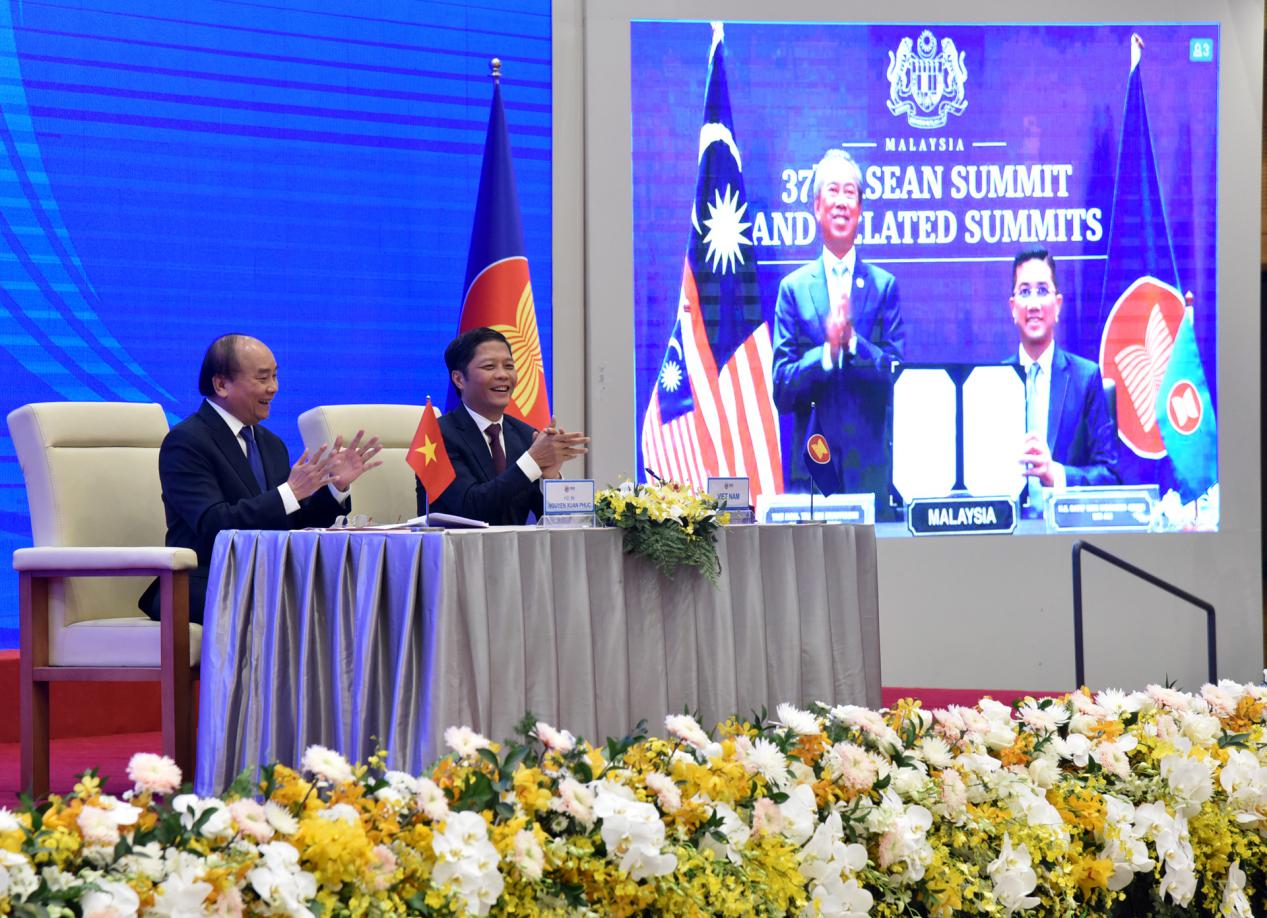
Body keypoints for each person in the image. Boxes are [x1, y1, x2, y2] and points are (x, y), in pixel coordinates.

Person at [139, 334, 382, 624]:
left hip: (265, 579)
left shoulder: (271, 444)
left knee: (356, 594)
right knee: (298, 607)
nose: (274, 388)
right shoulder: (187, 441)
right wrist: (289, 493)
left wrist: (335, 488)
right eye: (263, 378)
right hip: (204, 581)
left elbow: (290, 524)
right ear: (221, 384)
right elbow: (214, 524)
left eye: (276, 376)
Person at [772, 148, 904, 504]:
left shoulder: (883, 286)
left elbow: (896, 378)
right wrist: (827, 354)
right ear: (817, 206)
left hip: (870, 474)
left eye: (851, 193)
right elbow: (782, 389)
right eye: (833, 191)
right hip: (813, 471)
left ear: (860, 209)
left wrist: (853, 343)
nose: (842, 201)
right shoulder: (794, 290)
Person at [420, 327, 587, 525]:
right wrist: (531, 462)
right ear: (459, 379)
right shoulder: (435, 436)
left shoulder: (525, 435)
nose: (503, 375)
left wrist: (550, 478)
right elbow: (469, 509)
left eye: (509, 366)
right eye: (489, 367)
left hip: (516, 553)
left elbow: (558, 524)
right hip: (456, 553)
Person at [1004, 247, 1120, 513]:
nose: (1033, 304)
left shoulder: (1085, 379)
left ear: (1057, 305)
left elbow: (1110, 477)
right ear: (1013, 308)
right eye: (1024, 292)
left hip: (1066, 533)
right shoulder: (990, 383)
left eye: (1042, 291)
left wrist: (1055, 475)